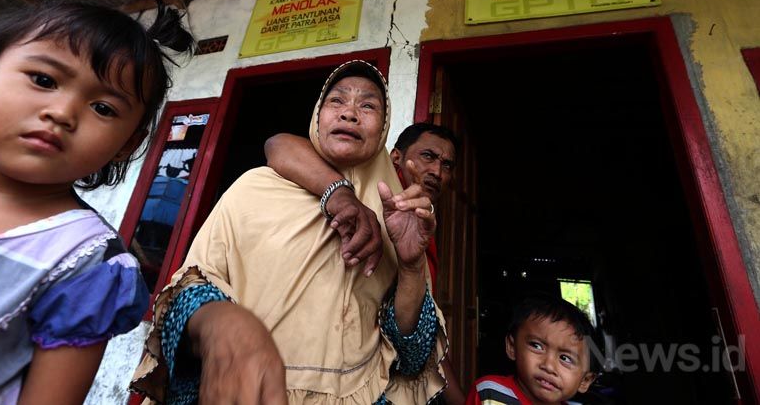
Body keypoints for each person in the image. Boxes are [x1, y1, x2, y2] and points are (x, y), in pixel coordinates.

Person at [131, 61, 448, 404]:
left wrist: (412, 265)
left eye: (368, 105)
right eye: (337, 101)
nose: (350, 114)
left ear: (384, 128)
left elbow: (412, 357)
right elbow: (185, 293)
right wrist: (221, 328)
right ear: (317, 116)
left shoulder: (395, 214)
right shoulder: (253, 188)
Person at [0, 0, 194, 403]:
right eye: (43, 80)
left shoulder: (88, 264)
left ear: (127, 144)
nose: (61, 112)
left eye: (103, 107)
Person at [264, 122, 466, 404]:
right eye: (428, 157)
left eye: (447, 165)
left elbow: (415, 334)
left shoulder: (422, 225)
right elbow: (278, 143)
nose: (437, 172)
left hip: (368, 378)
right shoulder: (364, 170)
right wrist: (341, 195)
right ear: (394, 156)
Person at [466, 295, 599, 405]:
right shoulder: (491, 393)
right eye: (536, 346)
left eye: (565, 358)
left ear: (585, 380)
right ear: (512, 347)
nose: (548, 366)